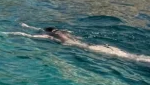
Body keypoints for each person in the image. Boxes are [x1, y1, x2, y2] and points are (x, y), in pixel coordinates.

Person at [12, 26, 150, 66]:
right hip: (98, 44)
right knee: (130, 56)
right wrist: (26, 25)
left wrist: (16, 32)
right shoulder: (66, 33)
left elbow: (31, 36)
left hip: (90, 49)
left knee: (127, 58)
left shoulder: (53, 37)